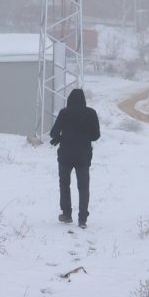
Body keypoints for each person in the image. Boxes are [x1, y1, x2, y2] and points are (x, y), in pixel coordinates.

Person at [50, 88, 100, 229]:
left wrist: (60, 138)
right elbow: (96, 135)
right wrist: (84, 137)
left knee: (65, 184)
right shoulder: (91, 113)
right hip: (83, 155)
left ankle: (66, 214)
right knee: (83, 187)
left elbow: (54, 132)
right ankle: (82, 218)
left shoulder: (64, 113)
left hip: (65, 154)